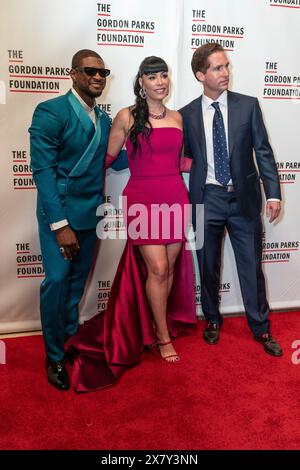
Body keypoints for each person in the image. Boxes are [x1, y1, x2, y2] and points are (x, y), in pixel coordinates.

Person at [65, 56, 197, 392]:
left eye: (164, 75)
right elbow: (106, 158)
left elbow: (178, 161)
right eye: (152, 76)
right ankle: (162, 337)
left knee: (167, 268)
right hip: (141, 198)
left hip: (174, 196)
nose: (160, 81)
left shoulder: (178, 117)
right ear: (141, 82)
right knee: (156, 269)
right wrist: (78, 186)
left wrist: (211, 168)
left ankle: (155, 321)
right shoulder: (126, 116)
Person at [29, 49, 126, 391]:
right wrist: (60, 224)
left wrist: (161, 149)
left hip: (91, 216)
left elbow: (115, 159)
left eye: (103, 72)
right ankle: (54, 355)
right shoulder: (50, 112)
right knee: (56, 283)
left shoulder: (102, 119)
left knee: (75, 287)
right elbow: (41, 171)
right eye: (90, 71)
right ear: (73, 74)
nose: (98, 77)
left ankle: (69, 341)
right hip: (61, 218)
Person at [179, 43, 283, 356]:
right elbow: (181, 158)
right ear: (201, 74)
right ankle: (211, 319)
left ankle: (261, 328)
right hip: (205, 198)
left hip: (244, 199)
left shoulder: (248, 106)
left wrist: (273, 192)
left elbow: (262, 151)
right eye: (217, 68)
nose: (225, 73)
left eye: (226, 66)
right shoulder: (185, 115)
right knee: (206, 265)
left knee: (251, 267)